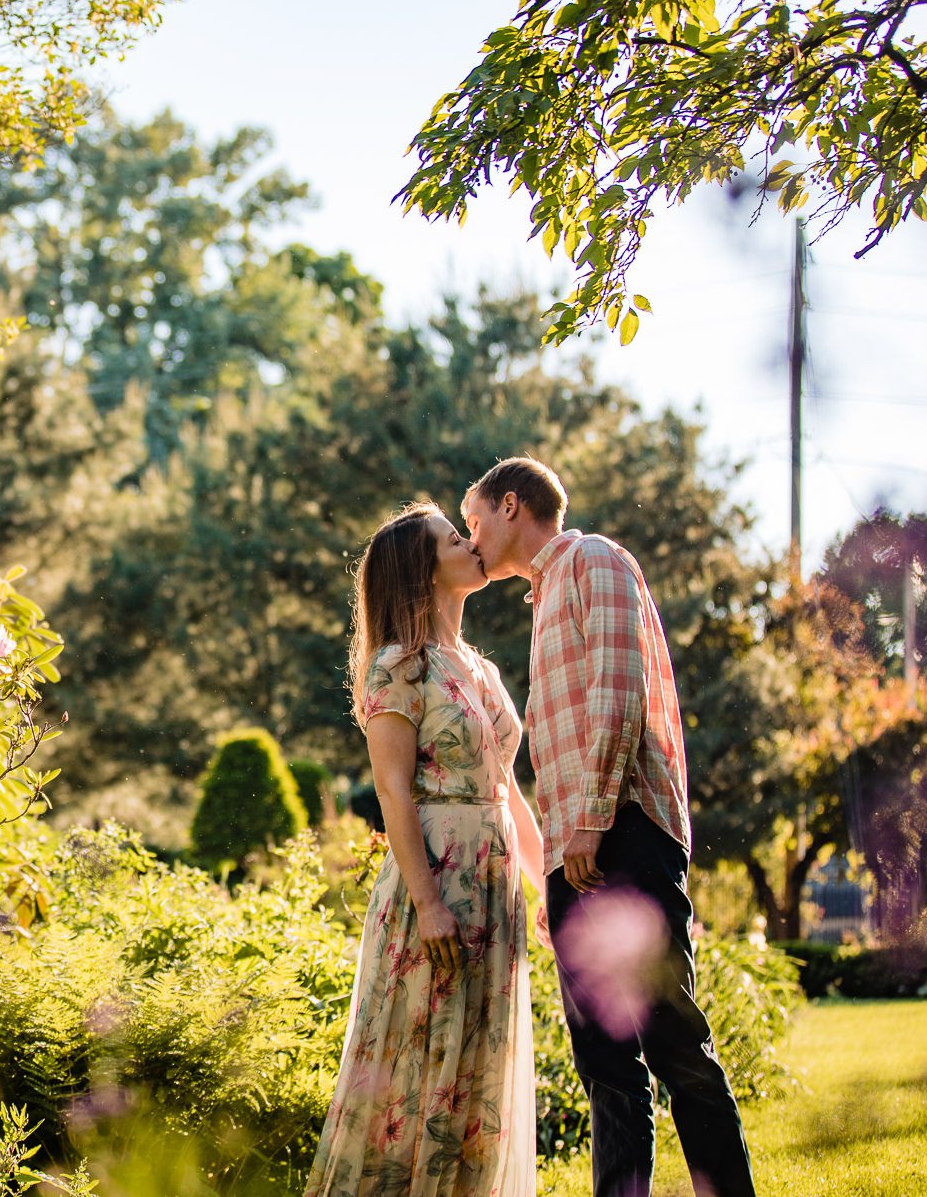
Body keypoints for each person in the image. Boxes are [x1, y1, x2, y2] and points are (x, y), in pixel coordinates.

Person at [461, 457, 758, 1197]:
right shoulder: (543, 596)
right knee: (605, 1065)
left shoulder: (594, 559)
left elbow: (619, 696)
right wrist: (559, 863)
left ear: (510, 505)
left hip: (624, 836)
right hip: (576, 852)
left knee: (672, 1042)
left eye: (473, 523)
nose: (470, 541)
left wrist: (590, 823)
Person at [305, 502, 548, 1197]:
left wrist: (546, 883)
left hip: (494, 887)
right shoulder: (397, 667)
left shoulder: (478, 668)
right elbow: (392, 790)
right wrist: (429, 902)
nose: (473, 544)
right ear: (422, 568)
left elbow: (508, 791)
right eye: (453, 538)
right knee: (418, 1067)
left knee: (479, 1070)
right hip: (435, 887)